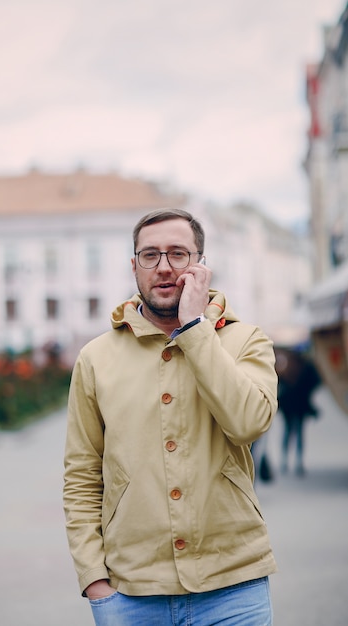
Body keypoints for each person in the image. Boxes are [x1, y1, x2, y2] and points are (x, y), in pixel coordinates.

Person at [63, 208, 278, 626]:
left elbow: (249, 422)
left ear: (201, 265)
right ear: (134, 266)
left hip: (234, 586)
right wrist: (94, 580)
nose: (163, 268)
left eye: (178, 254)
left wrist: (195, 328)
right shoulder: (96, 358)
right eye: (150, 255)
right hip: (132, 594)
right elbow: (82, 474)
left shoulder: (246, 339)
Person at [274, 345, 321, 476]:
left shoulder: (289, 368)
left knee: (291, 431)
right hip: (296, 404)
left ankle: (289, 460)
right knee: (295, 431)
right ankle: (291, 460)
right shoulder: (303, 368)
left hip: (293, 404)